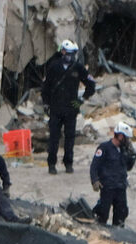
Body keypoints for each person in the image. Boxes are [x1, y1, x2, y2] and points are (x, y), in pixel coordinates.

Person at [42, 40, 96, 174]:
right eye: (68, 53)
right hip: (55, 108)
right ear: (63, 52)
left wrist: (80, 100)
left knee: (70, 138)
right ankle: (52, 164)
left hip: (71, 109)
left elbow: (91, 85)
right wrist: (46, 103)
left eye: (73, 54)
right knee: (54, 138)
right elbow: (46, 87)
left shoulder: (78, 68)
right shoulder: (54, 67)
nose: (70, 57)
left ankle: (68, 163)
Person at [90, 121, 136, 227]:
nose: (128, 141)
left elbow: (128, 168)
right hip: (108, 187)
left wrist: (132, 157)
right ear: (120, 136)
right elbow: (94, 165)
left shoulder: (123, 150)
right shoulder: (104, 148)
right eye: (127, 138)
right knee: (102, 213)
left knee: (121, 214)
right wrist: (95, 180)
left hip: (120, 187)